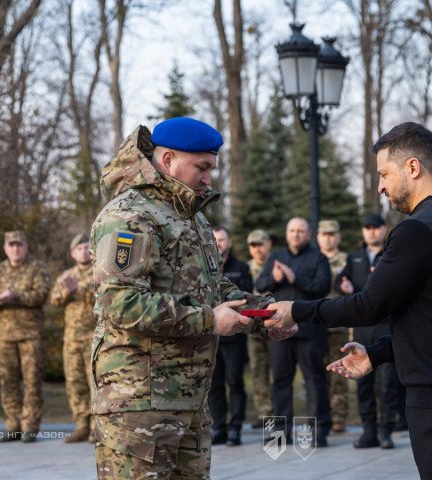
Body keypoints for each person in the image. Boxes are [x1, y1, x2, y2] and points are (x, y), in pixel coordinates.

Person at [266, 122, 432, 479]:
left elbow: (368, 306)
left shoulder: (418, 229)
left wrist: (295, 310)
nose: (380, 186)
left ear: (412, 167)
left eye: (384, 174)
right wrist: (376, 354)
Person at [90, 117, 292, 479]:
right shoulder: (130, 216)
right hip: (139, 405)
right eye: (202, 167)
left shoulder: (191, 218)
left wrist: (264, 316)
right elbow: (120, 303)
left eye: (211, 168)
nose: (208, 178)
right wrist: (209, 320)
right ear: (167, 160)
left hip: (190, 402)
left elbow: (214, 290)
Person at [255, 217, 332, 447]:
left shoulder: (318, 258)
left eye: (300, 231)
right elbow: (260, 284)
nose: (296, 234)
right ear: (286, 233)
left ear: (308, 234)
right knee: (279, 381)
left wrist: (295, 277)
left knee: (314, 381)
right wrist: (275, 278)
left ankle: (318, 432)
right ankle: (280, 433)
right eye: (292, 230)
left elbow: (323, 287)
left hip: (310, 331)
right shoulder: (277, 257)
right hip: (280, 330)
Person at [335, 213, 401, 449]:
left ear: (383, 229)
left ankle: (386, 432)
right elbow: (339, 281)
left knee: (387, 384)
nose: (371, 231)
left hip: (386, 328)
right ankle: (368, 432)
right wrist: (344, 286)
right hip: (362, 329)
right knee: (363, 384)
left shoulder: (392, 254)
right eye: (367, 228)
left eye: (376, 227)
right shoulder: (355, 258)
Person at [0, 230, 52, 443]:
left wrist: (16, 296)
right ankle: (12, 424)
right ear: (5, 248)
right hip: (6, 336)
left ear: (26, 247)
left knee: (31, 381)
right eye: (11, 245)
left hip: (31, 335)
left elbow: (42, 294)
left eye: (19, 245)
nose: (15, 249)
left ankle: (30, 426)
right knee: (8, 381)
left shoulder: (37, 268)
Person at [49, 233, 95, 443]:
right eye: (79, 248)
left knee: (95, 381)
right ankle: (81, 425)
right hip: (72, 339)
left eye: (86, 247)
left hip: (94, 336)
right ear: (72, 253)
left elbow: (105, 294)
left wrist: (80, 288)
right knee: (75, 382)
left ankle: (97, 427)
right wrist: (67, 292)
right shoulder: (66, 276)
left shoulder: (99, 272)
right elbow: (54, 300)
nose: (83, 251)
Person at [208, 226, 252, 447]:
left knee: (235, 382)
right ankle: (219, 426)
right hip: (211, 335)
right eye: (214, 239)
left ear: (229, 242)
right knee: (214, 384)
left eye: (222, 239)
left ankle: (235, 427)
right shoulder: (205, 267)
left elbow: (244, 299)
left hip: (235, 337)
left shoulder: (241, 268)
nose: (218, 243)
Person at [316, 219, 350, 434]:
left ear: (338, 236)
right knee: (317, 373)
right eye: (324, 234)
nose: (328, 237)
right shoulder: (312, 258)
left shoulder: (346, 261)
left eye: (332, 234)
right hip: (315, 323)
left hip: (338, 323)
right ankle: (321, 415)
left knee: (339, 371)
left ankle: (339, 416)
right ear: (319, 236)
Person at [245, 229, 273, 428]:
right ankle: (265, 412)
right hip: (253, 328)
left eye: (260, 244)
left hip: (274, 326)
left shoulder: (276, 265)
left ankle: (279, 410)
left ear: (268, 244)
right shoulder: (247, 268)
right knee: (258, 370)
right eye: (253, 245)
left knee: (278, 370)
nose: (257, 249)